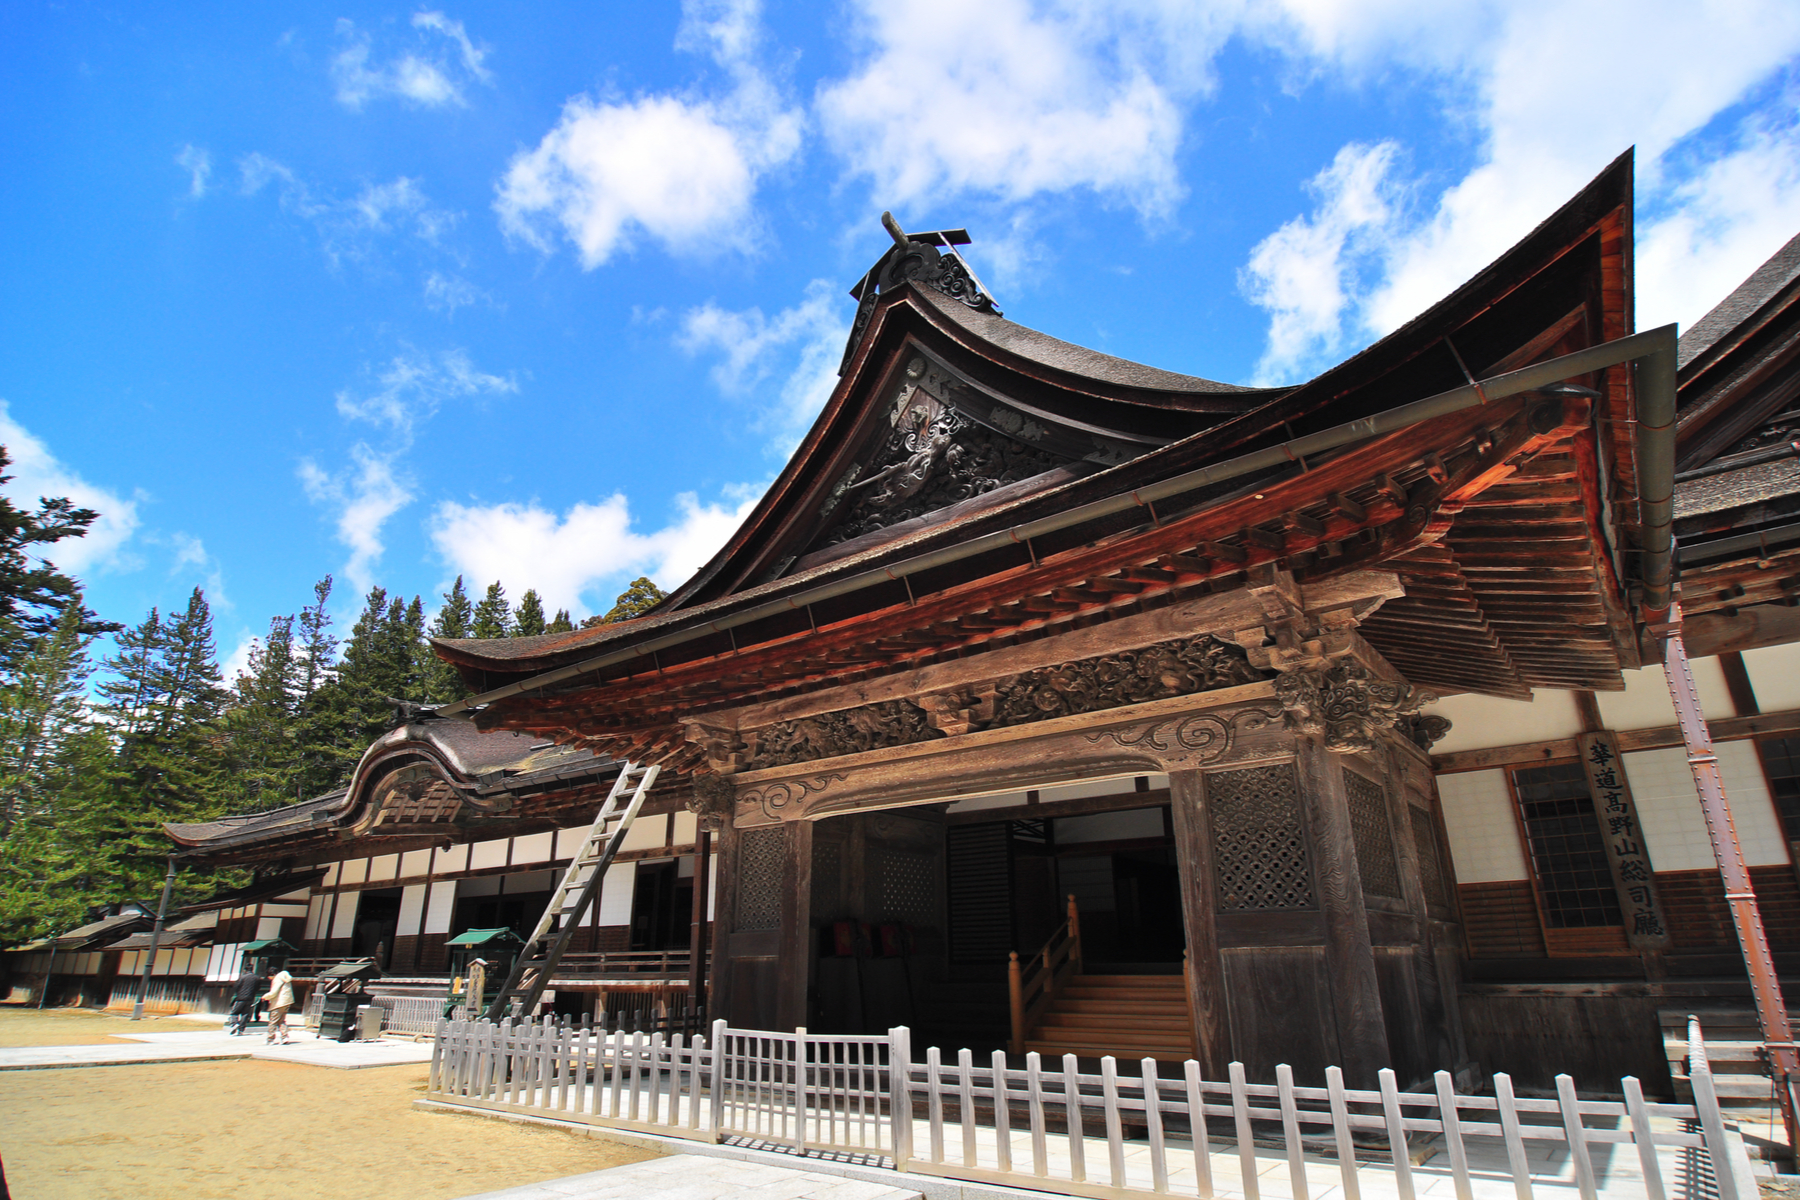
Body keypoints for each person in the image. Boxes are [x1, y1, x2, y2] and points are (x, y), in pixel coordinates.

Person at [263, 963, 295, 1044]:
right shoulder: (284, 976)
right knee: (281, 1020)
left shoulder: (277, 979)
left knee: (273, 1021)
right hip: (287, 1002)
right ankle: (284, 1037)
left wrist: (265, 997)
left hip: (278, 1003)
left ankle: (270, 1039)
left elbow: (273, 993)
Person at [226, 965, 261, 1035]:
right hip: (250, 998)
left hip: (241, 997)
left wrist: (238, 993)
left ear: (245, 970)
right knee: (245, 1014)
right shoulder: (257, 978)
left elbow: (236, 986)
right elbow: (257, 988)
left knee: (235, 1012)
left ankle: (235, 1023)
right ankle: (241, 1030)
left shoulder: (242, 977)